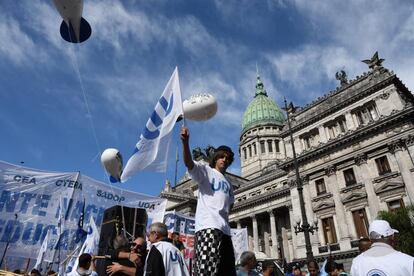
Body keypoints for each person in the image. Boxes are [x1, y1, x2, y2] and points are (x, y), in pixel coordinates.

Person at [181, 126, 236, 276]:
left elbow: (230, 204)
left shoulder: (229, 183)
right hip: (208, 227)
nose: (224, 159)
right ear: (216, 157)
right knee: (207, 270)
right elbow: (188, 163)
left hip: (225, 230)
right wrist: (185, 142)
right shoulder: (206, 171)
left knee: (228, 270)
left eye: (227, 158)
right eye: (222, 156)